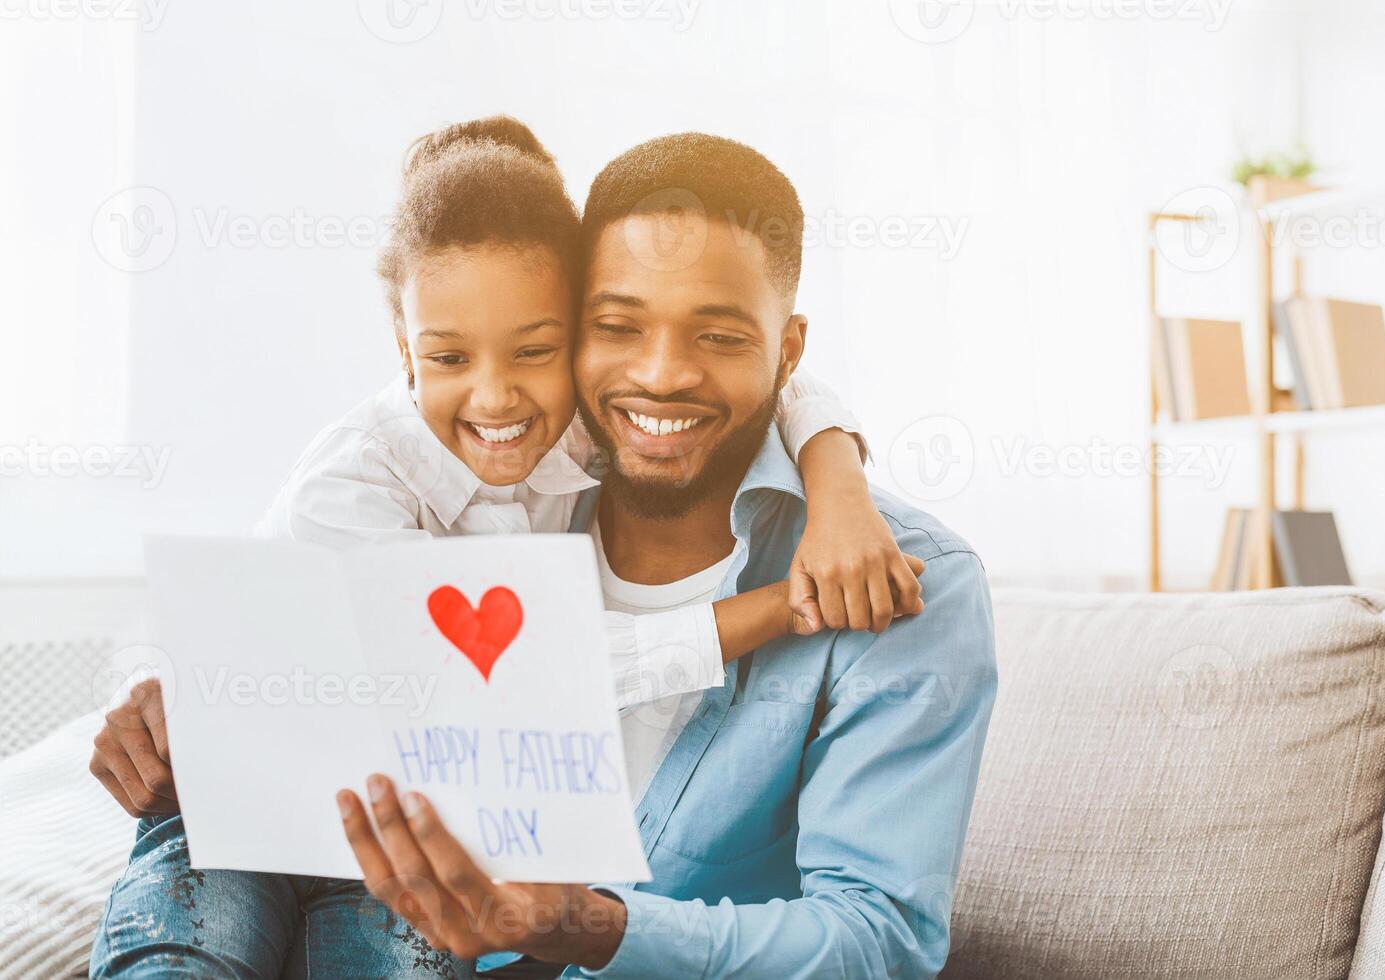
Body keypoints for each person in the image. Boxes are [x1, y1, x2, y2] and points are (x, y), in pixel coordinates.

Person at [87, 119, 926, 978]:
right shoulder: (350, 489)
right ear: (405, 353)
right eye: (451, 356)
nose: (496, 395)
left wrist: (838, 484)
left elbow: (759, 362)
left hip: (400, 834)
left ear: (570, 338)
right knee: (182, 960)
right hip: (243, 813)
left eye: (535, 350)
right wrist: (779, 607)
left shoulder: (583, 435)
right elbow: (552, 671)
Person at [337, 132, 997, 978]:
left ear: (787, 350)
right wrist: (194, 717)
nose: (660, 375)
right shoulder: (499, 504)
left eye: (719, 338)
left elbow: (881, 942)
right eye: (617, 326)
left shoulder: (907, 581)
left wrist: (593, 929)